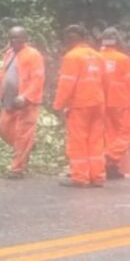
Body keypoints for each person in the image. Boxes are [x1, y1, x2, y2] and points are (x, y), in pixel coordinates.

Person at [53, 25, 107, 188]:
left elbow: (66, 84)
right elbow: (104, 81)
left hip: (80, 104)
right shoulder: (97, 56)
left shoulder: (72, 56)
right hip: (98, 102)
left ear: (71, 39)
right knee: (96, 141)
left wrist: (58, 105)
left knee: (78, 141)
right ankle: (97, 177)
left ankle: (80, 177)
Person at [0, 27, 45, 179]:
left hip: (25, 103)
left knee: (22, 135)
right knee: (3, 129)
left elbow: (38, 79)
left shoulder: (33, 55)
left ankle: (17, 168)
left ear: (25, 38)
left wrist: (25, 97)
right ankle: (25, 149)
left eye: (17, 38)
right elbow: (6, 73)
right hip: (8, 100)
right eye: (11, 38)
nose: (14, 41)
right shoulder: (9, 53)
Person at [100, 27, 130, 179]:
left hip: (102, 101)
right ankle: (109, 156)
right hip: (120, 100)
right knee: (126, 133)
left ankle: (111, 168)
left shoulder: (97, 57)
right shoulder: (123, 59)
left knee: (110, 133)